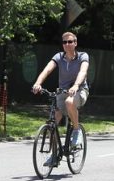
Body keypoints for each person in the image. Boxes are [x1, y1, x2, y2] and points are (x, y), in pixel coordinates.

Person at [32, 31, 89, 164]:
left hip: (79, 90)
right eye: (64, 42)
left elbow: (83, 71)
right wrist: (38, 83)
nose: (67, 44)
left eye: (70, 42)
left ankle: (76, 131)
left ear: (75, 43)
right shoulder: (58, 57)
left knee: (70, 102)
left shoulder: (82, 56)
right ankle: (55, 154)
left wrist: (75, 86)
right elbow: (46, 70)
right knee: (53, 122)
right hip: (62, 92)